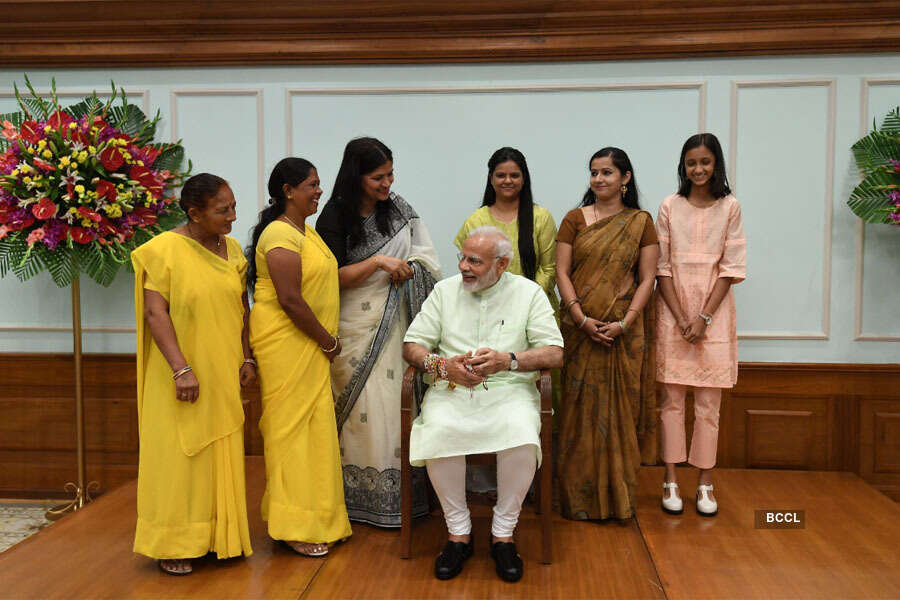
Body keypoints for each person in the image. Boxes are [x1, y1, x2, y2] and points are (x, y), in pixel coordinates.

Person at [403, 226, 563, 583]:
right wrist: (442, 367)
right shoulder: (444, 292)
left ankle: (503, 534)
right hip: (452, 390)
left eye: (474, 261)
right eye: (462, 257)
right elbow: (412, 346)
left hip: (509, 390)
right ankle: (458, 533)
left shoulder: (529, 293)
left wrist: (508, 360)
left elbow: (555, 352)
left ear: (502, 264)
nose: (463, 267)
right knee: (440, 428)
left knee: (521, 432)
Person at [131, 173, 254, 575]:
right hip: (180, 372)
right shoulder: (164, 250)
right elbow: (155, 313)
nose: (233, 217)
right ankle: (175, 543)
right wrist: (181, 368)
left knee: (219, 452)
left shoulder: (232, 248)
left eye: (233, 207)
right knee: (180, 457)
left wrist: (247, 357)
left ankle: (220, 537)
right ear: (194, 213)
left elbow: (242, 308)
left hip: (224, 370)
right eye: (223, 210)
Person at [317, 137, 440, 527]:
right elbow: (330, 278)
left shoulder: (400, 210)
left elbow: (428, 262)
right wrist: (380, 262)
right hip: (354, 328)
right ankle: (352, 500)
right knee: (360, 413)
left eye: (390, 174)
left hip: (397, 323)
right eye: (377, 178)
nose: (387, 184)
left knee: (394, 405)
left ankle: (401, 499)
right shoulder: (334, 217)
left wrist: (409, 267)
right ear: (356, 177)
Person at [247, 157, 352, 556]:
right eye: (311, 184)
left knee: (315, 434)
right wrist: (327, 341)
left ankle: (318, 519)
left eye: (319, 183)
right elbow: (290, 300)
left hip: (310, 345)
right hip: (288, 344)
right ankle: (292, 525)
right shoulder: (279, 235)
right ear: (288, 191)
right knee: (290, 434)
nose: (319, 191)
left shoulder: (305, 232)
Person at [555, 147, 659, 521]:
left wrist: (626, 323)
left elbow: (648, 278)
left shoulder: (641, 222)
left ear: (625, 178)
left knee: (619, 418)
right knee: (577, 416)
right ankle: (575, 500)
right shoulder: (574, 219)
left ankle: (618, 501)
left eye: (607, 173)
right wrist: (581, 319)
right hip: (580, 331)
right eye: (594, 173)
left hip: (623, 335)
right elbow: (562, 273)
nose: (599, 180)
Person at [655, 133, 746, 517]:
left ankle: (705, 482)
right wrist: (680, 317)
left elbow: (731, 267)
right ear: (683, 166)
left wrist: (704, 318)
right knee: (670, 403)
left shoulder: (730, 207)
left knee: (709, 405)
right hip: (672, 311)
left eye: (705, 162)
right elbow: (661, 267)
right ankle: (671, 479)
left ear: (716, 165)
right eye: (691, 162)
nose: (698, 169)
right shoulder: (669, 206)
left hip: (715, 314)